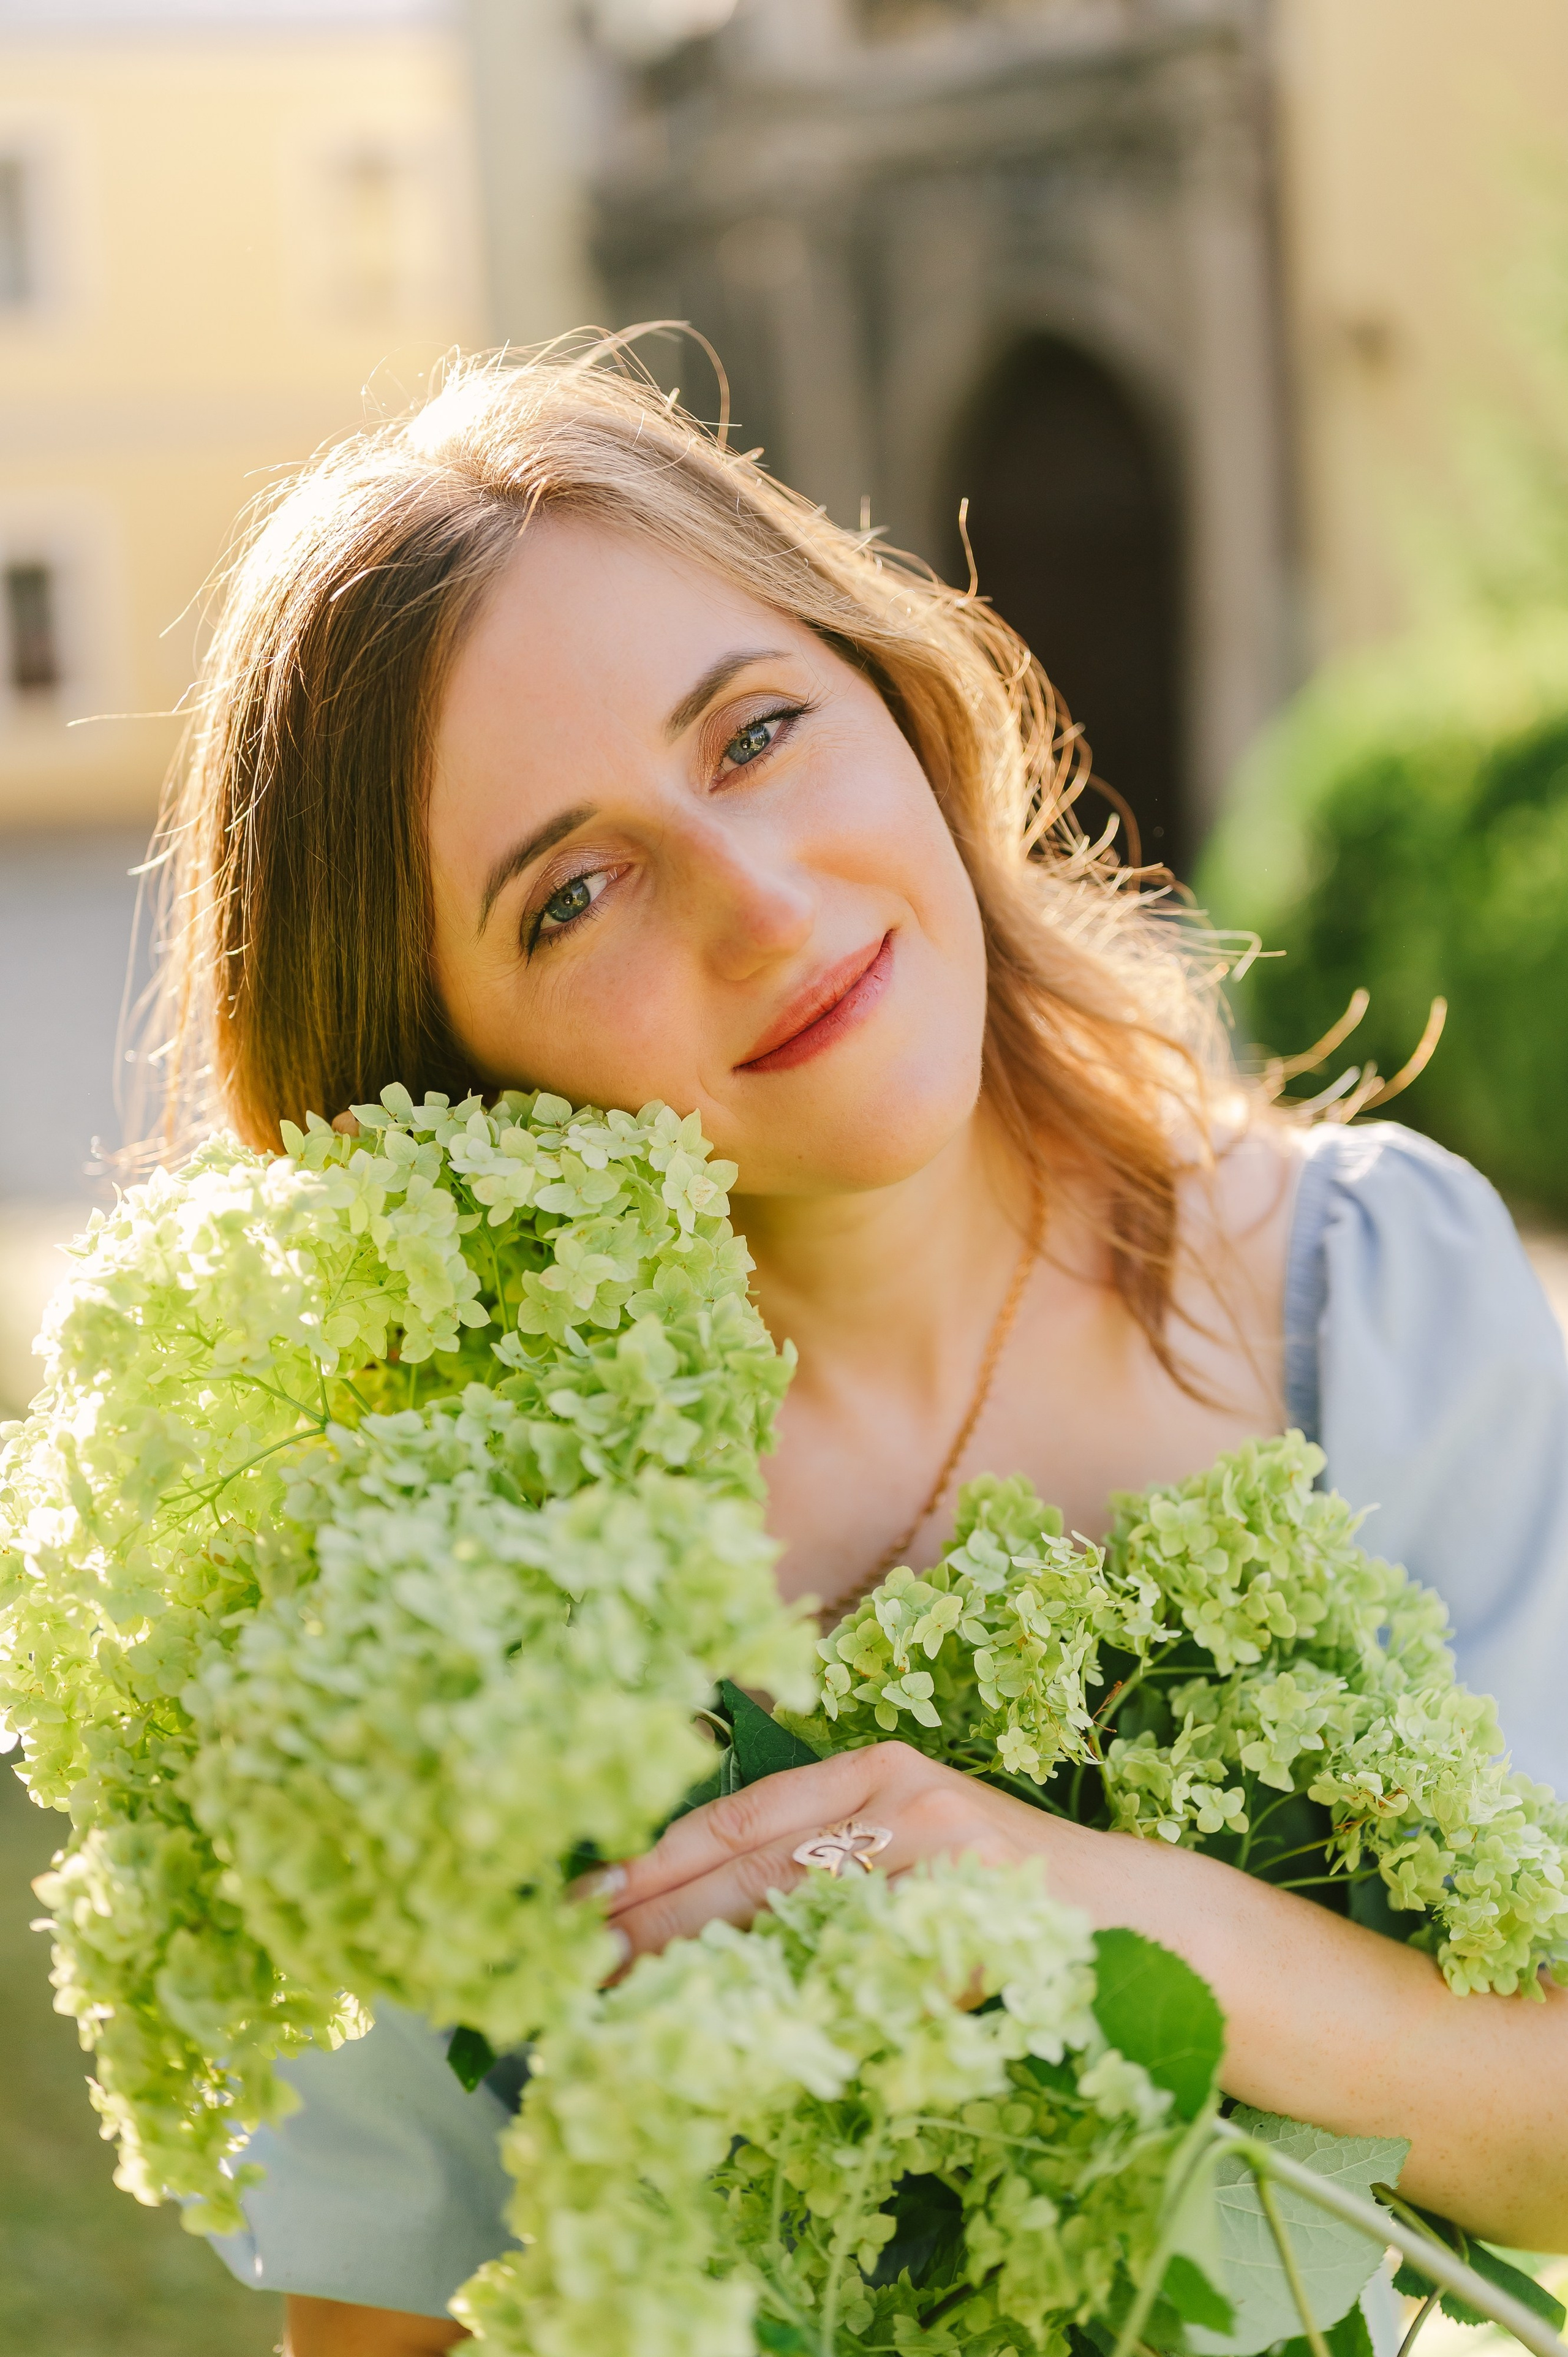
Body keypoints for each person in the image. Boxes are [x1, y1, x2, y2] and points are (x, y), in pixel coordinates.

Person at [149, 339, 1568, 2356]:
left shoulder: (1377, 1299)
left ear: (891, 699)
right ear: (432, 1079)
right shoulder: (432, 1611)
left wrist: (1078, 1905)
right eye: (571, 894)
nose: (759, 898)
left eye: (753, 733)